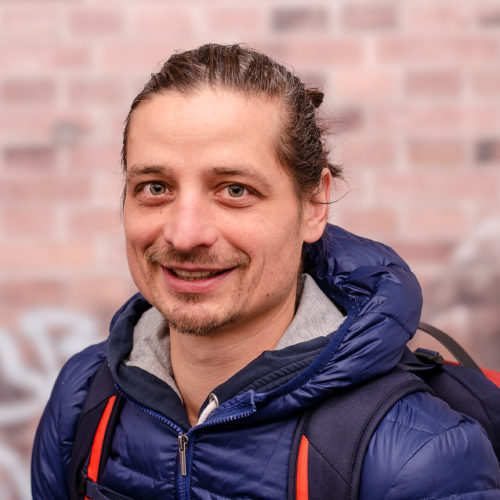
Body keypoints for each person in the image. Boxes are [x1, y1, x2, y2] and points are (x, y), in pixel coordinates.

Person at [32, 43, 500, 499]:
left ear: (314, 205)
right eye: (155, 187)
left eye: (234, 190)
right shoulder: (84, 398)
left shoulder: (415, 459)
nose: (184, 234)